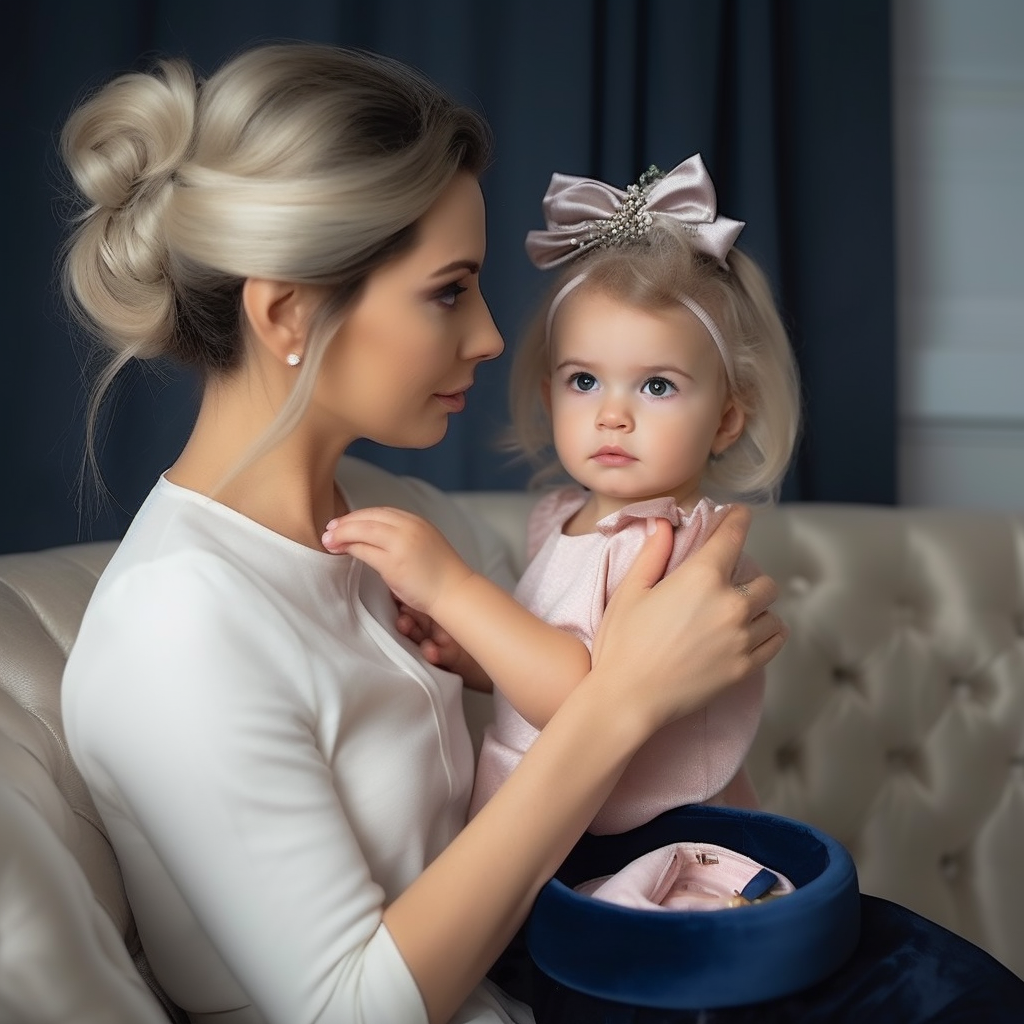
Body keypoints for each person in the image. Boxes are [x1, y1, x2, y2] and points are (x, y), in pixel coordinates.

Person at [58, 42, 786, 1024]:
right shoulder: (176, 623)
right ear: (289, 313)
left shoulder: (403, 515)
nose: (490, 336)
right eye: (449, 290)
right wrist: (625, 698)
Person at [323, 156, 800, 837]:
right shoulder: (563, 519)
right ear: (548, 393)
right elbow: (552, 665)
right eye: (584, 381)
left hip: (637, 847)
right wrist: (479, 659)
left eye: (656, 385)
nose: (612, 414)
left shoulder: (665, 547)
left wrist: (450, 585)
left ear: (727, 417)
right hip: (559, 825)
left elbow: (584, 700)